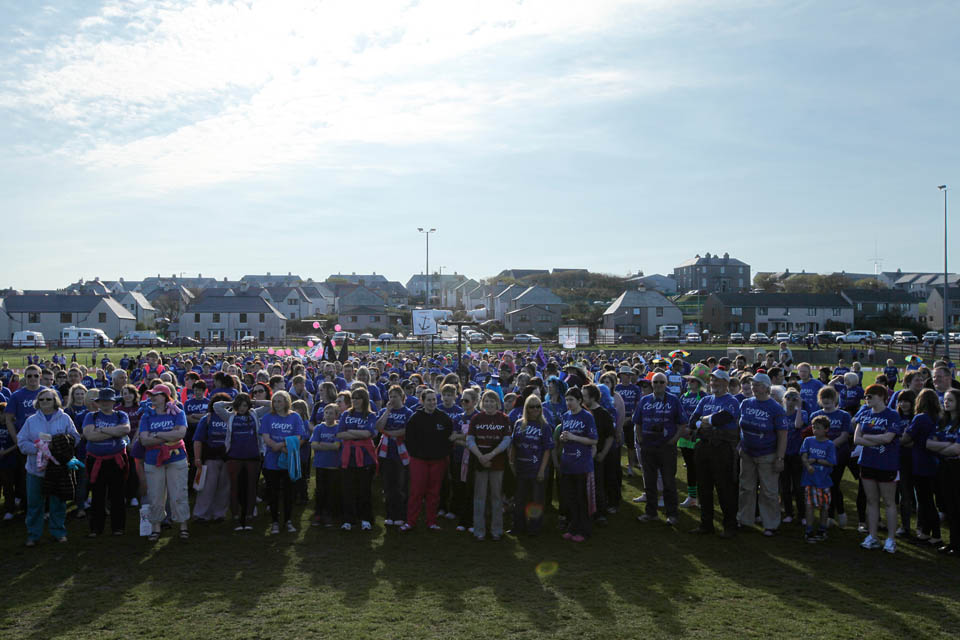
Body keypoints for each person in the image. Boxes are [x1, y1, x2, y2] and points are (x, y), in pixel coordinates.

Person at [17, 389, 80, 546]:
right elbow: (22, 441)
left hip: (58, 469)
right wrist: (38, 449)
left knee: (58, 503)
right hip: (35, 469)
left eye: (49, 399)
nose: (45, 402)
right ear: (38, 402)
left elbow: (76, 438)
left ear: (55, 401)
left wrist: (60, 444)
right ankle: (33, 535)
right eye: (42, 399)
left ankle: (58, 531)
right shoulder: (31, 421)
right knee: (34, 504)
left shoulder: (64, 418)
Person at [688, 368, 742, 538]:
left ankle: (730, 526)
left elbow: (722, 419)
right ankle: (706, 524)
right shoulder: (705, 400)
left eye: (717, 380)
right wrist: (705, 422)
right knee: (704, 487)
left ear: (726, 383)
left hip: (722, 449)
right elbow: (692, 421)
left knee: (725, 488)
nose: (713, 383)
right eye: (712, 380)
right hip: (703, 447)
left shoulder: (732, 401)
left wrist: (705, 421)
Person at [853, 384, 902, 553]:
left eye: (870, 396)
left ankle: (890, 539)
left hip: (887, 463)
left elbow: (888, 438)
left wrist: (868, 437)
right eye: (866, 396)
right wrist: (875, 439)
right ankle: (872, 536)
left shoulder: (892, 415)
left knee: (889, 502)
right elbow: (857, 439)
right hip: (867, 462)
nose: (867, 399)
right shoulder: (864, 414)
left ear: (881, 396)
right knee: (872, 501)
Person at [737, 373, 788, 536]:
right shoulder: (745, 403)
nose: (753, 387)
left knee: (768, 490)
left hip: (768, 454)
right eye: (752, 384)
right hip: (747, 453)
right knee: (746, 487)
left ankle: (770, 524)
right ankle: (745, 519)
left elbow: (782, 435)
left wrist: (780, 458)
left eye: (757, 384)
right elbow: (740, 426)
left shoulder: (775, 408)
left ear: (766, 387)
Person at [632, 373, 686, 525]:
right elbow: (638, 422)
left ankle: (672, 514)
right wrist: (641, 439)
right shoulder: (644, 400)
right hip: (648, 447)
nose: (658, 385)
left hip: (666, 448)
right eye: (655, 382)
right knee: (649, 482)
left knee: (669, 482)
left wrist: (673, 440)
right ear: (652, 383)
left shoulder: (674, 400)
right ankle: (651, 513)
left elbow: (682, 424)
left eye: (662, 382)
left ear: (666, 383)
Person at [139, 384, 190, 542]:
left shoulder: (177, 412)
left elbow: (181, 433)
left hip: (176, 458)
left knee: (178, 493)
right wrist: (169, 435)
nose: (153, 397)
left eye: (157, 394)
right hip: (153, 460)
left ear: (166, 396)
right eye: (151, 395)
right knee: (155, 495)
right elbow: (144, 440)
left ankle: (183, 526)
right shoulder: (147, 415)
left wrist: (158, 434)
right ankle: (156, 527)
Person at [213, 392, 271, 531]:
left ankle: (249, 516)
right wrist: (231, 403)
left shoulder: (254, 414)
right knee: (234, 487)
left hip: (253, 456)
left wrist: (254, 402)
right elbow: (216, 406)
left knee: (251, 487)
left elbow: (270, 405)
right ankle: (236, 517)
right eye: (239, 406)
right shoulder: (230, 416)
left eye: (245, 405)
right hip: (234, 456)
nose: (242, 408)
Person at [401, 389, 455, 531]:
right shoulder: (415, 418)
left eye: (434, 400)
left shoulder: (443, 418)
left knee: (434, 492)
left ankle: (431, 521)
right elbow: (409, 439)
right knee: (416, 492)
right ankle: (411, 521)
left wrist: (443, 454)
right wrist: (416, 454)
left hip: (438, 461)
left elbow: (450, 439)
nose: (432, 403)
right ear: (422, 401)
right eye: (429, 400)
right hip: (419, 460)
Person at [81, 388, 131, 537]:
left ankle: (118, 527)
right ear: (98, 403)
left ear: (113, 402)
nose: (105, 404)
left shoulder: (121, 414)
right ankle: (96, 528)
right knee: (97, 495)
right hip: (96, 461)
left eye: (108, 401)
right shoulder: (91, 416)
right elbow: (90, 436)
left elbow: (125, 430)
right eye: (102, 401)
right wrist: (113, 432)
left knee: (117, 495)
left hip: (116, 461)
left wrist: (101, 430)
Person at [259, 390, 307, 534]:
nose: (277, 404)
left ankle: (288, 521)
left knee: (288, 493)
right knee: (273, 493)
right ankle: (274, 522)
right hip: (271, 462)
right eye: (275, 401)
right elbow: (266, 438)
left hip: (288, 460)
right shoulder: (268, 417)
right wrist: (276, 446)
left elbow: (298, 437)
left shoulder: (295, 417)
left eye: (280, 401)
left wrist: (279, 446)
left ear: (286, 402)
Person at [467, 390, 512, 541]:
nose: (489, 404)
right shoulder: (476, 418)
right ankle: (479, 530)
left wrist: (490, 455)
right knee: (479, 497)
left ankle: (496, 530)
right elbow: (470, 440)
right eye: (486, 401)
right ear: (482, 402)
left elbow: (506, 440)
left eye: (492, 401)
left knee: (496, 497)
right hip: (480, 463)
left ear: (497, 403)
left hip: (497, 463)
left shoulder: (504, 418)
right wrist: (480, 456)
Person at [508, 394, 554, 536]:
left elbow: (547, 450)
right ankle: (518, 526)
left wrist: (541, 470)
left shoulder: (545, 427)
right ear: (526, 408)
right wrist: (512, 462)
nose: (535, 409)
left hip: (537, 469)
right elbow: (514, 445)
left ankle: (534, 528)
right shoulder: (518, 424)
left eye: (538, 406)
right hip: (521, 468)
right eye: (531, 406)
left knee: (536, 500)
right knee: (520, 500)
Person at [558, 387, 598, 542]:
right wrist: (563, 437)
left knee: (582, 498)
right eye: (567, 400)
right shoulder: (566, 416)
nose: (568, 403)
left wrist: (574, 437)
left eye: (571, 400)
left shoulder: (587, 417)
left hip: (582, 463)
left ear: (580, 401)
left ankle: (584, 530)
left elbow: (594, 440)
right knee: (571, 498)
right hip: (568, 463)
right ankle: (573, 527)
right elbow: (564, 435)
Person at [902, 389, 942, 546]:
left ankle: (935, 535)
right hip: (934, 461)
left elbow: (906, 439)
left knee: (925, 501)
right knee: (928, 500)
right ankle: (926, 532)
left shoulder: (920, 418)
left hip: (921, 461)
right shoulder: (938, 418)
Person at [924, 388, 960, 555]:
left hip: (956, 468)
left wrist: (943, 447)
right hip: (944, 467)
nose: (946, 402)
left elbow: (957, 449)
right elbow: (929, 444)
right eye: (945, 399)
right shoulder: (942, 422)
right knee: (948, 506)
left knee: (957, 506)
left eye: (950, 400)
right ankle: (953, 543)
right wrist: (947, 447)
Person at [337, 387, 378, 532]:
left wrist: (350, 432)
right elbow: (340, 434)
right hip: (348, 457)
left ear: (365, 399)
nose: (355, 400)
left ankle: (366, 519)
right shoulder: (346, 414)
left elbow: (368, 433)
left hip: (366, 457)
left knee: (364, 490)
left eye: (358, 398)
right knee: (348, 489)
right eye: (353, 398)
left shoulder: (371, 415)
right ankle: (349, 519)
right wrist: (358, 434)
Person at [192, 392, 233, 523]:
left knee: (224, 487)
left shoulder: (232, 418)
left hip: (227, 458)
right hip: (210, 457)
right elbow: (197, 440)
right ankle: (201, 514)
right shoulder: (207, 418)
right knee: (206, 488)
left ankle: (219, 514)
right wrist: (197, 458)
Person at [376, 385, 413, 527]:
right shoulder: (385, 411)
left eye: (395, 396)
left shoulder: (408, 412)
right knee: (388, 486)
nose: (392, 399)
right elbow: (378, 427)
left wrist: (389, 433)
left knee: (400, 486)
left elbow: (405, 431)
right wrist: (387, 411)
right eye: (390, 396)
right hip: (386, 453)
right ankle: (390, 514)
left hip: (401, 454)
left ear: (402, 398)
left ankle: (401, 515)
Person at [800, 415, 837, 543]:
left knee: (824, 507)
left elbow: (831, 462)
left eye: (819, 428)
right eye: (814, 427)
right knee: (809, 505)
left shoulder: (829, 444)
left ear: (826, 429)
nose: (815, 430)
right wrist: (808, 465)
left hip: (824, 481)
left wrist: (816, 460)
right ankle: (809, 530)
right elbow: (804, 456)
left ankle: (822, 529)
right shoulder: (808, 441)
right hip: (810, 480)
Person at [678, 364, 709, 508]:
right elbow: (679, 415)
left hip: (697, 436)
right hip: (684, 436)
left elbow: (704, 415)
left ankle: (702, 497)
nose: (689, 383)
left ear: (699, 383)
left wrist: (693, 429)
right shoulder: (683, 396)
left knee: (701, 468)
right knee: (690, 467)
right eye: (689, 380)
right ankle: (691, 497)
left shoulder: (703, 396)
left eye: (693, 381)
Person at [309, 403, 342, 527]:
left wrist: (321, 444)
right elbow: (313, 445)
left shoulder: (338, 428)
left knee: (331, 491)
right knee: (320, 491)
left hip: (333, 465)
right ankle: (318, 514)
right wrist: (329, 446)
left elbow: (336, 446)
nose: (328, 415)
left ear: (336, 415)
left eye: (331, 413)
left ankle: (329, 515)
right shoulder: (318, 428)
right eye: (326, 413)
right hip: (320, 464)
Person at [780, 389, 808, 525]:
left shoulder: (802, 413)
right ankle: (789, 513)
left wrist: (799, 407)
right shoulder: (780, 414)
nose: (790, 402)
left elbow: (798, 425)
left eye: (793, 399)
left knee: (798, 487)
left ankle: (802, 515)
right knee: (785, 486)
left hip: (797, 454)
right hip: (784, 453)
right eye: (788, 399)